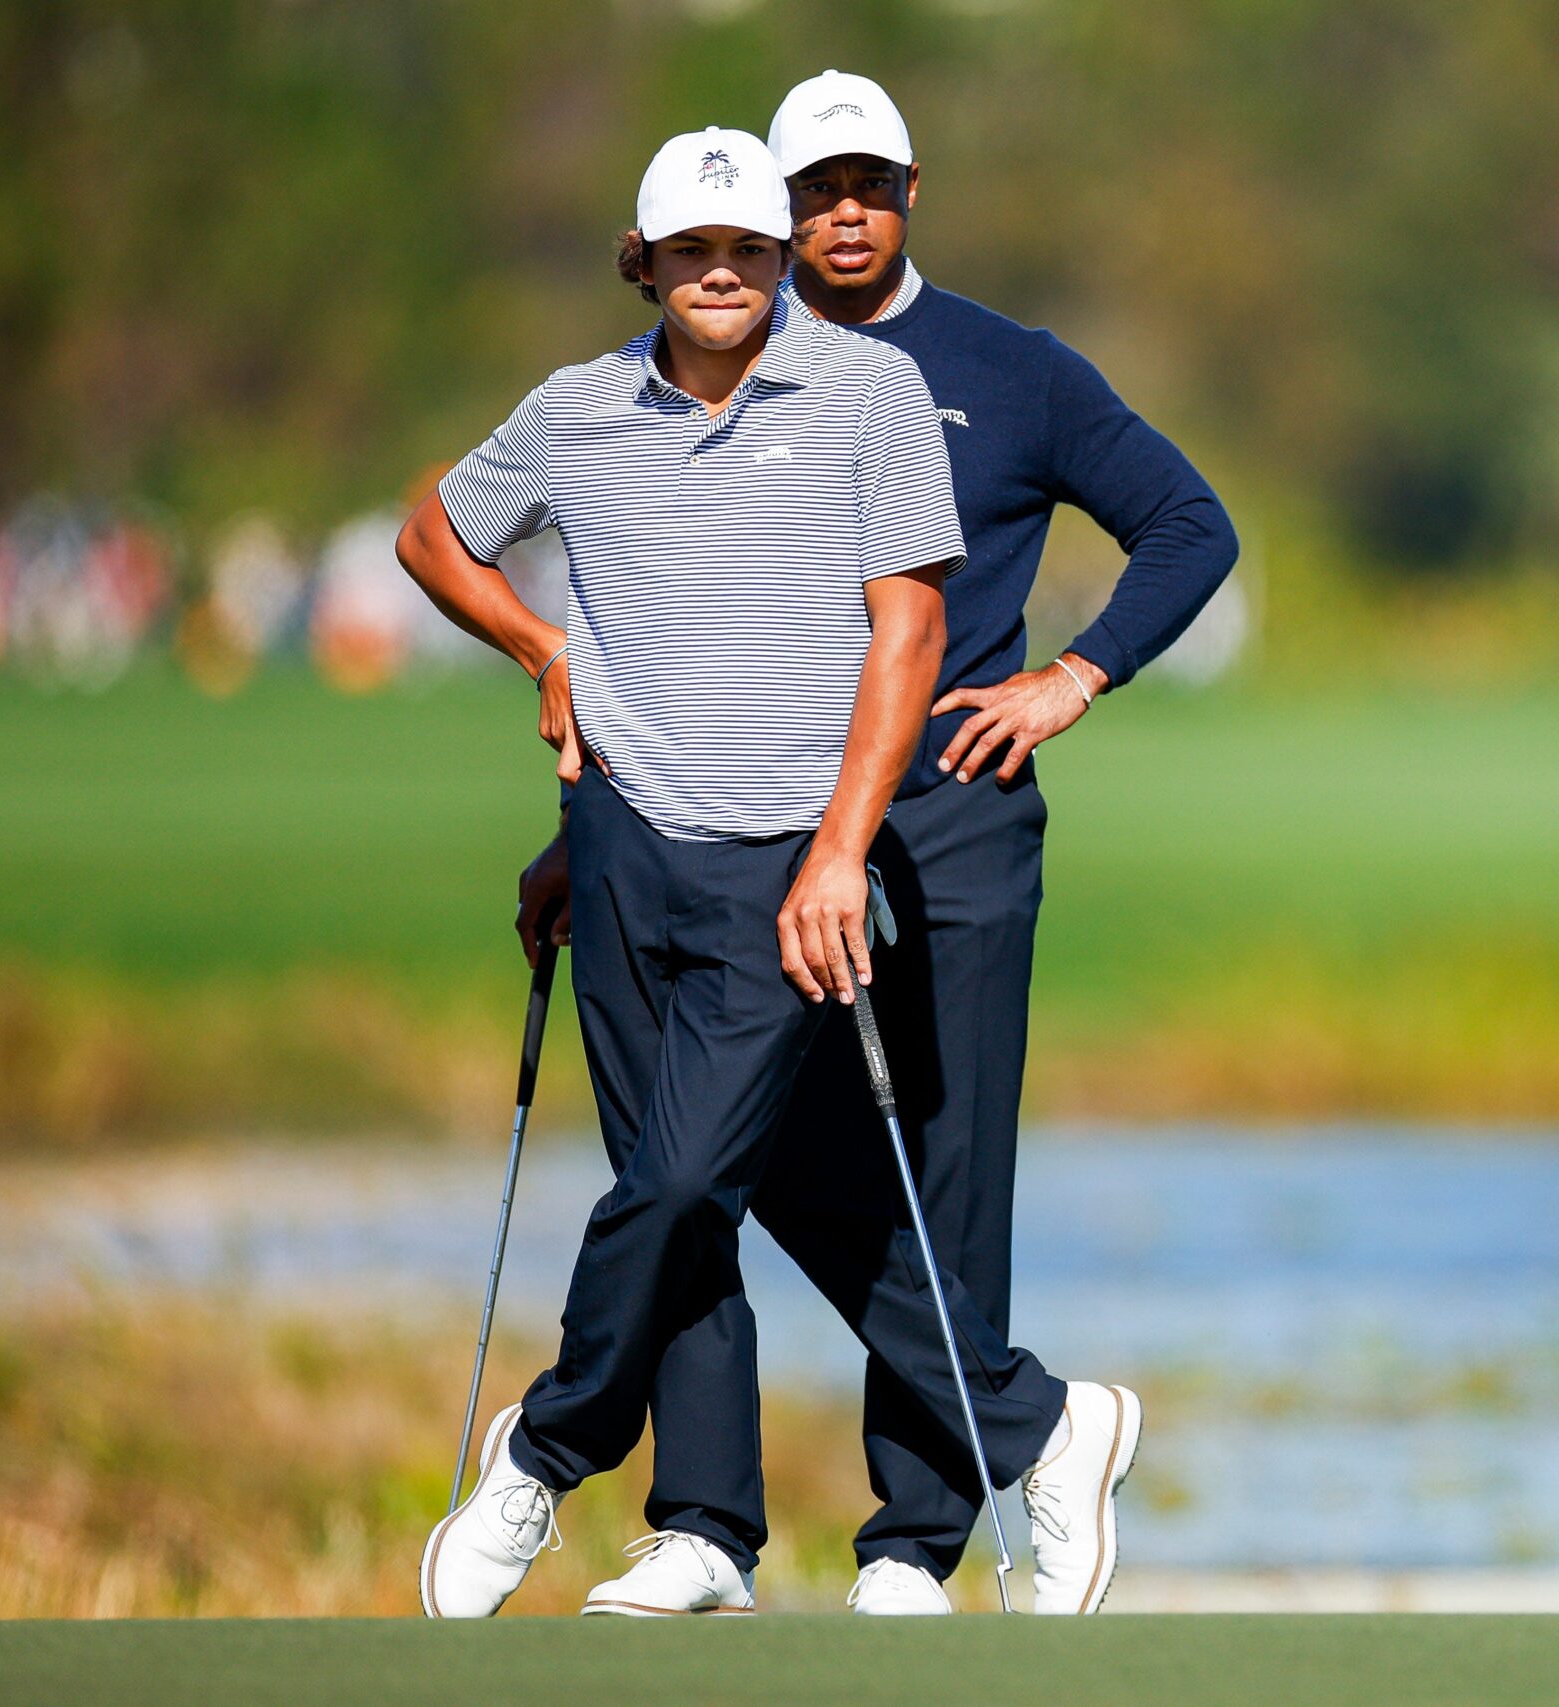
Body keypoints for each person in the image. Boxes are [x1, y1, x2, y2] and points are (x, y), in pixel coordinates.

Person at [515, 70, 1237, 1615]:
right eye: (814, 191)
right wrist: (594, 836)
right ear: (766, 215)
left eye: (871, 185)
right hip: (756, 830)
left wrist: (1071, 678)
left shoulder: (1012, 371)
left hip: (953, 824)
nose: (845, 213)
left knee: (948, 1173)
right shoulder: (712, 373)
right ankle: (882, 1471)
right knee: (736, 1149)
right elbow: (652, 642)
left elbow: (1190, 524)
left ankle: (916, 1542)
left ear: (914, 190)